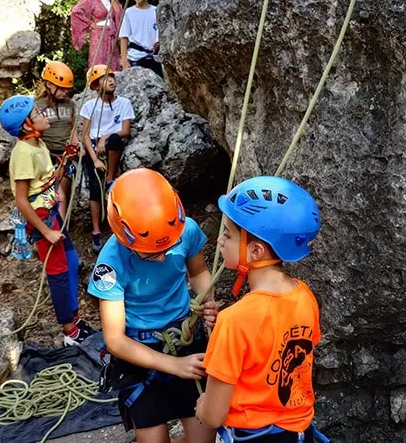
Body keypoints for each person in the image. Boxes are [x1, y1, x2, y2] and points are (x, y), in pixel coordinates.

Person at [87, 168, 219, 443]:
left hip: (184, 337)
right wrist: (173, 365)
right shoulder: (110, 265)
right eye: (150, 252)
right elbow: (115, 340)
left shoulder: (183, 230)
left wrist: (207, 299)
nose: (161, 258)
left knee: (204, 438)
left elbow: (197, 273)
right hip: (139, 353)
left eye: (167, 248)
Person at [195, 176, 323, 443]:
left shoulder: (235, 321)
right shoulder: (305, 297)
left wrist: (202, 406)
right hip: (299, 434)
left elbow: (214, 416)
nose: (219, 240)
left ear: (255, 251)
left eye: (228, 234)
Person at [0, 95, 95, 346]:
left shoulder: (38, 145)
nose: (43, 116)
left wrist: (66, 160)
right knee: (58, 272)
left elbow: (46, 181)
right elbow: (22, 200)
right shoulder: (23, 154)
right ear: (26, 125)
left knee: (72, 263)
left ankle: (74, 318)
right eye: (37, 114)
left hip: (51, 214)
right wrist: (46, 231)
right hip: (41, 220)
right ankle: (69, 331)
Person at [80, 64, 134, 254]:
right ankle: (96, 231)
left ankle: (110, 177)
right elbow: (85, 135)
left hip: (111, 144)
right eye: (105, 78)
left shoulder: (124, 103)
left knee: (113, 139)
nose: (111, 80)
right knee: (95, 188)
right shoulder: (90, 106)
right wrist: (95, 158)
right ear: (95, 86)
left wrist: (104, 137)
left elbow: (125, 131)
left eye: (111, 77)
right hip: (94, 148)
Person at [36, 61, 81, 220]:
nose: (65, 92)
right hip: (47, 156)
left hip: (65, 155)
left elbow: (72, 127)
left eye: (67, 89)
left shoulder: (70, 105)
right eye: (61, 88)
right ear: (49, 84)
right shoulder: (37, 106)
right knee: (53, 191)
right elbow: (35, 133)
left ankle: (62, 226)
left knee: (63, 189)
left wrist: (75, 145)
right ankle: (55, 225)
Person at [71, 0, 124, 71]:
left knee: (112, 63)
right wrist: (90, 23)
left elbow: (120, 16)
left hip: (111, 36)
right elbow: (75, 11)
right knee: (98, 63)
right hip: (98, 34)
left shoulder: (112, 0)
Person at [119, 0, 163, 78]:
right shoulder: (128, 13)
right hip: (136, 57)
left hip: (154, 57)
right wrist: (124, 61)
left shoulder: (156, 11)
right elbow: (124, 37)